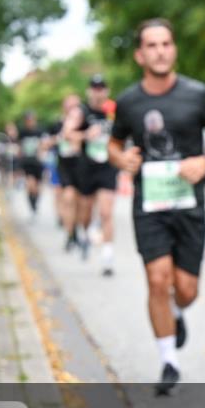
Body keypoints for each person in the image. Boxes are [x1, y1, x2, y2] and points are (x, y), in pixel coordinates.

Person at [109, 18, 205, 395]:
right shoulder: (130, 101)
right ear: (139, 54)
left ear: (173, 49)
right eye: (152, 45)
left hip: (188, 205)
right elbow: (114, 144)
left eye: (166, 43)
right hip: (149, 205)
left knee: (186, 289)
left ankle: (178, 313)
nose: (160, 50)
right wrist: (121, 160)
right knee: (157, 279)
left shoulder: (196, 94)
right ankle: (168, 361)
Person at [78, 74, 120, 276]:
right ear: (89, 90)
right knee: (85, 211)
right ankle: (85, 233)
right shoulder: (82, 111)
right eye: (94, 88)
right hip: (87, 166)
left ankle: (108, 258)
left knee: (106, 212)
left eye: (101, 88)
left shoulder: (114, 110)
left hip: (108, 166)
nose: (98, 92)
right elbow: (67, 133)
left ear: (107, 90)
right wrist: (85, 134)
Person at [49, 95, 87, 254]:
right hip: (64, 165)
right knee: (68, 197)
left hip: (81, 165)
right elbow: (53, 140)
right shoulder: (59, 123)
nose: (72, 107)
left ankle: (75, 231)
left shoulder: (84, 123)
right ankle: (70, 233)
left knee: (79, 202)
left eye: (75, 105)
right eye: (69, 105)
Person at [16, 112, 45, 218]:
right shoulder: (22, 132)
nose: (30, 122)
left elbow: (44, 144)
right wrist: (19, 163)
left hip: (38, 162)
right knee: (30, 185)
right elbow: (19, 147)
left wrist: (42, 154)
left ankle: (35, 201)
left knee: (37, 187)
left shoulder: (40, 131)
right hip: (27, 162)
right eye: (28, 120)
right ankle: (32, 205)